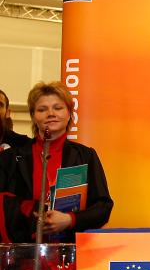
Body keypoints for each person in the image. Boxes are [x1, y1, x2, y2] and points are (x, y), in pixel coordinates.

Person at [0, 81, 113, 243]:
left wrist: (70, 219)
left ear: (69, 114)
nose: (50, 114)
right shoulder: (10, 157)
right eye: (42, 109)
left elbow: (103, 207)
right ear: (33, 116)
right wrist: (32, 211)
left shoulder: (86, 155)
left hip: (73, 253)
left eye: (58, 108)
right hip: (24, 253)